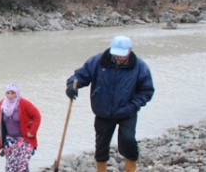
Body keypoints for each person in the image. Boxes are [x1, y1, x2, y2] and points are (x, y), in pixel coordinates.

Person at [65, 35, 154, 172]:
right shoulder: (97, 61)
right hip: (103, 112)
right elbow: (81, 76)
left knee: (128, 140)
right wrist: (72, 85)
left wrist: (134, 105)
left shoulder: (139, 67)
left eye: (122, 55)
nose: (119, 57)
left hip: (127, 112)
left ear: (130, 50)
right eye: (117, 54)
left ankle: (130, 169)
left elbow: (146, 90)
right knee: (101, 144)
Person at [0, 83, 42, 172]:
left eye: (13, 93)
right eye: (8, 93)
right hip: (9, 141)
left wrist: (32, 132)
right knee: (10, 167)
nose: (10, 95)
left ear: (17, 93)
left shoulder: (24, 104)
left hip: (24, 140)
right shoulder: (2, 105)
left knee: (22, 166)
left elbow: (37, 116)